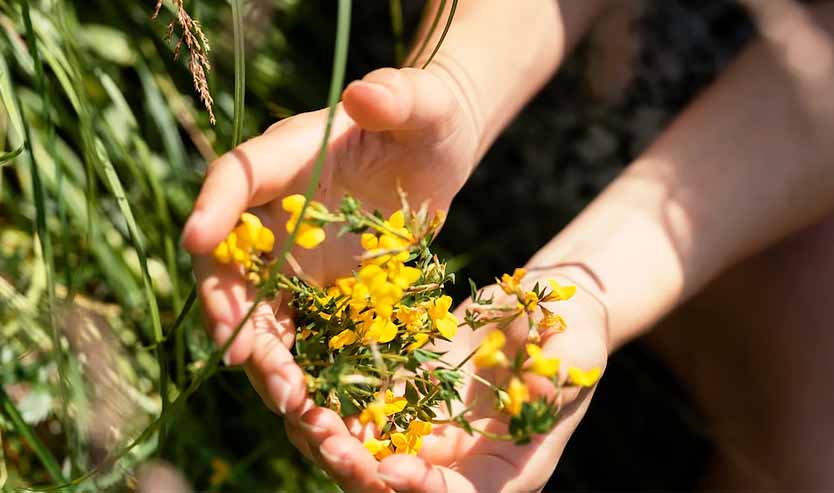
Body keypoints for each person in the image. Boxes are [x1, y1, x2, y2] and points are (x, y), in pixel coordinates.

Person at [181, 0, 834, 490]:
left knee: (815, 452)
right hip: (502, 29)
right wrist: (461, 90)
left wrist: (589, 290)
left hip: (770, 136)